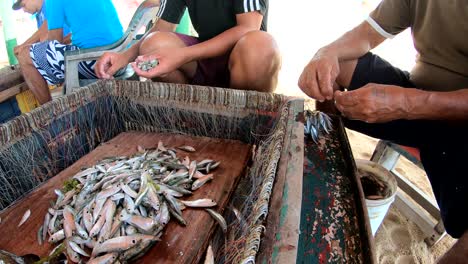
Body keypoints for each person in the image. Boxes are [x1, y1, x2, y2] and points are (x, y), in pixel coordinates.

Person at [298, 0, 468, 262]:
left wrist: (405, 104)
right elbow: (367, 34)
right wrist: (325, 53)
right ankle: (323, 158)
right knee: (337, 67)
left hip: (460, 124)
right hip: (416, 93)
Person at [95, 0, 281, 92]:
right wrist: (123, 56)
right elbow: (161, 28)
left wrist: (183, 55)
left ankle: (248, 120)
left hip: (246, 64)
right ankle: (192, 114)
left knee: (260, 44)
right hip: (206, 62)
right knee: (154, 43)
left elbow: (248, 27)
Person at [15, 0, 123, 105]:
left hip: (97, 62)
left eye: (23, 5)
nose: (24, 10)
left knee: (25, 55)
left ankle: (49, 114)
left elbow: (54, 42)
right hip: (120, 55)